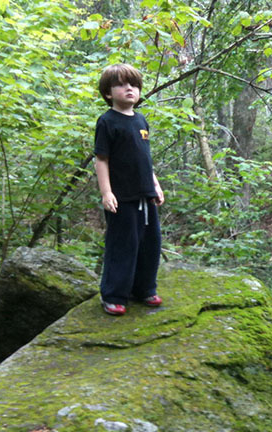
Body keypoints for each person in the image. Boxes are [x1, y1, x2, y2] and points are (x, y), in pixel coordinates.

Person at [94, 63, 165, 316]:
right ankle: (114, 295)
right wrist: (106, 192)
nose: (129, 89)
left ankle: (144, 289)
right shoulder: (107, 121)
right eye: (122, 84)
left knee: (150, 244)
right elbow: (101, 159)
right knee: (122, 245)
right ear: (108, 93)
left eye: (133, 84)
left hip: (145, 196)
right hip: (121, 198)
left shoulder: (141, 119)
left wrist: (155, 185)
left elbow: (145, 158)